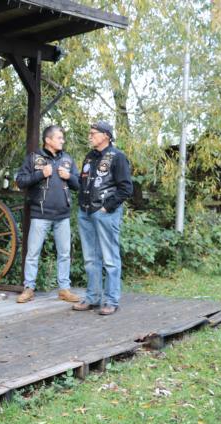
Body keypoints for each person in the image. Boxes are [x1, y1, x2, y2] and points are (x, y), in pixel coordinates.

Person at [15, 125, 81, 304]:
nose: (62, 141)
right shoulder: (33, 158)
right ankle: (29, 289)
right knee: (32, 254)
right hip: (40, 214)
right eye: (59, 138)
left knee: (65, 254)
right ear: (48, 140)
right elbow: (20, 181)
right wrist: (40, 174)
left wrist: (69, 176)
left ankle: (64, 290)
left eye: (62, 138)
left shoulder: (67, 159)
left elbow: (79, 185)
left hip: (63, 215)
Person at [73, 121, 133, 315]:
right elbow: (82, 183)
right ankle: (92, 298)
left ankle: (111, 300)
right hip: (86, 213)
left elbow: (126, 188)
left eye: (93, 133)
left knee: (110, 259)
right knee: (90, 259)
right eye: (89, 133)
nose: (90, 136)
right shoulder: (89, 157)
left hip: (105, 213)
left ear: (106, 135)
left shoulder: (118, 157)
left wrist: (107, 207)